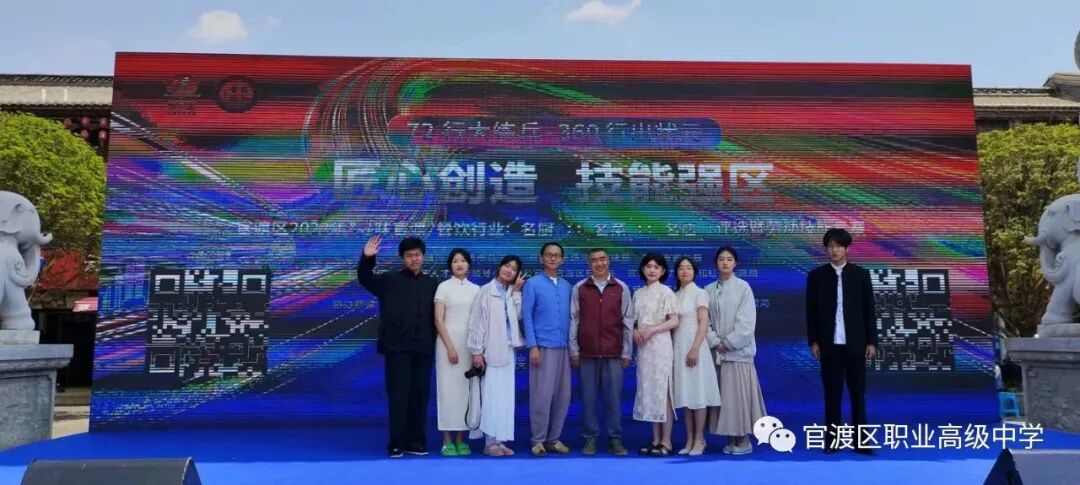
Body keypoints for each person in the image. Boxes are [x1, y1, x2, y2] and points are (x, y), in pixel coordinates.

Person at [356, 235, 439, 458]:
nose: (414, 259)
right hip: (397, 347)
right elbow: (365, 278)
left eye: (417, 255)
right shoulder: (389, 280)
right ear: (403, 258)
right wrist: (367, 258)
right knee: (398, 396)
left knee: (420, 396)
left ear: (423, 257)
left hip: (424, 347)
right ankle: (396, 442)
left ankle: (417, 441)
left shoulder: (433, 284)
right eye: (409, 255)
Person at [805, 228, 879, 455]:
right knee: (832, 394)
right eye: (830, 246)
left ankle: (862, 442)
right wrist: (814, 341)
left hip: (856, 344)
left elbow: (869, 310)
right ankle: (833, 441)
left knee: (858, 394)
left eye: (838, 246)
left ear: (847, 248)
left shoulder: (860, 275)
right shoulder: (816, 276)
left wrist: (872, 342)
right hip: (829, 345)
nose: (834, 250)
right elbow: (811, 312)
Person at [569, 248, 635, 456]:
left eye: (602, 259)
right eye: (594, 260)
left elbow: (628, 322)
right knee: (588, 399)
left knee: (613, 400)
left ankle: (615, 439)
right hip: (587, 354)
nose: (599, 263)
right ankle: (590, 438)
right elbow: (574, 320)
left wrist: (627, 352)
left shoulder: (621, 287)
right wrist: (574, 350)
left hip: (613, 353)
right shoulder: (579, 288)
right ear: (589, 264)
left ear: (609, 261)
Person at [705, 246, 768, 455]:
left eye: (729, 259)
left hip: (738, 354)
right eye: (721, 259)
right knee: (726, 400)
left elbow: (747, 323)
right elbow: (705, 322)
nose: (725, 262)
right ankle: (731, 438)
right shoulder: (708, 290)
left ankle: (744, 440)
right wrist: (715, 341)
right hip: (718, 354)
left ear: (735, 263)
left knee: (740, 399)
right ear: (716, 263)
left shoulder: (743, 287)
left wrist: (729, 343)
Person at [466, 255, 525, 457]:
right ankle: (489, 442)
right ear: (499, 267)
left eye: (514, 269)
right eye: (507, 266)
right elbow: (477, 322)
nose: (509, 270)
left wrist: (516, 292)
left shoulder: (511, 291)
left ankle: (500, 440)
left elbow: (518, 316)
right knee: (491, 396)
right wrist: (477, 352)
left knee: (505, 397)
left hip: (508, 349)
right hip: (490, 350)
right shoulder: (486, 290)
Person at [522, 242, 574, 457]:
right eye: (549, 255)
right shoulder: (532, 284)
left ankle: (554, 439)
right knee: (541, 396)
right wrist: (532, 346)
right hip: (542, 347)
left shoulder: (567, 286)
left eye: (557, 255)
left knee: (563, 396)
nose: (553, 258)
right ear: (541, 258)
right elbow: (526, 316)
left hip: (564, 348)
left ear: (562, 259)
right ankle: (538, 440)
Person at [671, 257, 721, 456]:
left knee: (698, 393)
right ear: (676, 272)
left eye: (689, 268)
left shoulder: (700, 293)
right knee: (686, 393)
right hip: (678, 346)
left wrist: (694, 349)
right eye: (681, 268)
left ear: (694, 272)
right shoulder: (674, 295)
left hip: (695, 346)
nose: (685, 271)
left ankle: (700, 439)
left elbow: (703, 323)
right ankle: (689, 439)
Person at [632, 252, 680, 457]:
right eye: (649, 266)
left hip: (660, 345)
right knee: (650, 390)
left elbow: (674, 321)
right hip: (644, 348)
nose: (652, 270)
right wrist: (635, 331)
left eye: (656, 267)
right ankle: (655, 440)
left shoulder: (666, 292)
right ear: (643, 269)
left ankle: (666, 441)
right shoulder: (638, 294)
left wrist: (653, 329)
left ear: (663, 271)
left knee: (663, 391)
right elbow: (632, 321)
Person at [433, 248, 481, 456]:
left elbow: (479, 321)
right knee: (447, 391)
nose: (459, 264)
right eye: (455, 261)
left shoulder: (476, 289)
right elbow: (438, 320)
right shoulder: (443, 287)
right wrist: (450, 347)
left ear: (468, 264)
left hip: (469, 346)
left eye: (463, 260)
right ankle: (446, 441)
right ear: (450, 266)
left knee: (466, 392)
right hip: (447, 346)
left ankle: (461, 439)